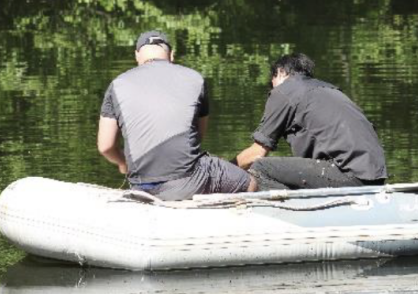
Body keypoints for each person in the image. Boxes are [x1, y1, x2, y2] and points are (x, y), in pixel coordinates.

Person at [97, 30, 257, 200]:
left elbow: (105, 147)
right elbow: (198, 136)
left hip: (140, 185)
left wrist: (123, 163)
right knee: (249, 182)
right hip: (189, 182)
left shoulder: (117, 85)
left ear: (137, 55)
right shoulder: (195, 79)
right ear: (172, 55)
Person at [233, 53, 388, 190]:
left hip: (351, 176)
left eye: (271, 83)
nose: (272, 90)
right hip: (376, 177)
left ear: (280, 72)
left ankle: (292, 213)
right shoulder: (329, 90)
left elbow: (257, 153)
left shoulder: (284, 91)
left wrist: (223, 170)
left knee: (260, 167)